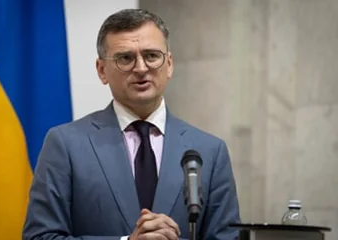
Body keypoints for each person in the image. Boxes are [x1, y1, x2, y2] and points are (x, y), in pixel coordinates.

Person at [22, 8, 240, 240]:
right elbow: (39, 236)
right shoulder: (65, 144)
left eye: (152, 56)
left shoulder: (210, 151)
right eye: (125, 58)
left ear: (169, 64)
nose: (141, 68)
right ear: (101, 70)